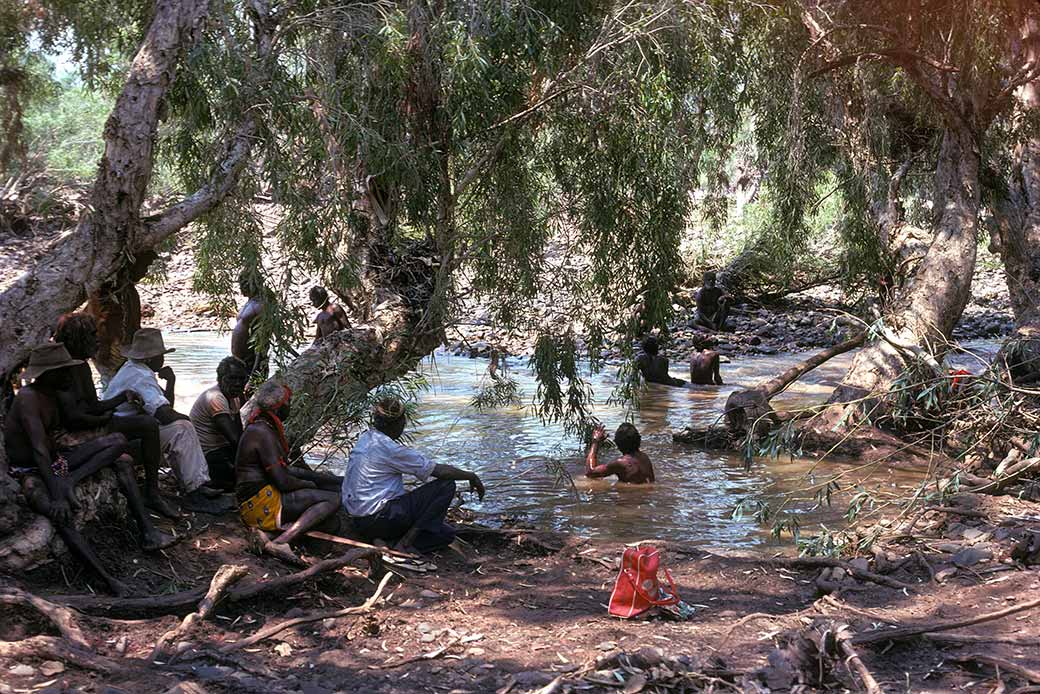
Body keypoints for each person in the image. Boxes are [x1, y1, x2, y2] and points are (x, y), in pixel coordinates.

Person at [4, 344, 177, 595]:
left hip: (56, 462)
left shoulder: (53, 393)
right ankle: (106, 580)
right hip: (29, 469)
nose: (69, 376)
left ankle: (72, 480)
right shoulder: (29, 398)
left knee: (118, 442)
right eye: (64, 371)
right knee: (60, 515)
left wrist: (66, 474)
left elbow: (71, 427)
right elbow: (39, 450)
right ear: (50, 374)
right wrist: (55, 492)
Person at [54, 312, 180, 518]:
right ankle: (152, 493)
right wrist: (105, 418)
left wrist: (121, 397)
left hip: (84, 425)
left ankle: (153, 492)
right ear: (79, 339)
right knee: (146, 425)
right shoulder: (64, 371)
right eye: (93, 335)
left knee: (146, 424)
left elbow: (93, 405)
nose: (98, 340)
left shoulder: (82, 366)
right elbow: (73, 418)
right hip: (70, 433)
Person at [103, 328, 230, 514]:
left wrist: (171, 382)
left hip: (125, 434)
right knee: (183, 428)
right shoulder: (142, 376)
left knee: (180, 427)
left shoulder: (133, 369)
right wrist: (188, 420)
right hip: (125, 440)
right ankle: (195, 490)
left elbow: (163, 406)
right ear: (149, 358)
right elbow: (164, 415)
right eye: (160, 356)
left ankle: (195, 484)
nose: (162, 360)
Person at [342, 398, 485, 555]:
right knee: (446, 485)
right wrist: (471, 475)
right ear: (399, 422)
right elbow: (440, 472)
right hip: (380, 519)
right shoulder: (390, 449)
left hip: (360, 521)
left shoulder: (366, 438)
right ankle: (405, 543)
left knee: (446, 534)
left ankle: (389, 540)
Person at [235, 382, 343, 564]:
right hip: (260, 504)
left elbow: (284, 470)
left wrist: (325, 478)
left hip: (255, 498)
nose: (290, 406)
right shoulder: (263, 432)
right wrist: (309, 485)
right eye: (289, 402)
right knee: (334, 499)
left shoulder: (261, 426)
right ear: (279, 408)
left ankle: (272, 533)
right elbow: (283, 481)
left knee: (327, 502)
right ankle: (281, 541)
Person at [190, 356, 250, 491]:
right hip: (207, 455)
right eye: (232, 378)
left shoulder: (233, 397)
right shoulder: (216, 398)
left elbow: (239, 433)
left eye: (241, 379)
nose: (237, 384)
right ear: (221, 379)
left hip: (221, 450)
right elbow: (235, 439)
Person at [584, 423, 655, 484]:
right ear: (638, 440)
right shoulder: (644, 457)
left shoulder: (621, 463)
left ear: (618, 443)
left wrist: (595, 442)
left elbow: (590, 472)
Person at [232, 270, 269, 378]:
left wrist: (253, 375)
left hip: (251, 365)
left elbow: (262, 343)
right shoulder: (250, 303)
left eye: (245, 284)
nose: (241, 287)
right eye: (241, 284)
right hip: (240, 364)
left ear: (255, 284)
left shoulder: (261, 305)